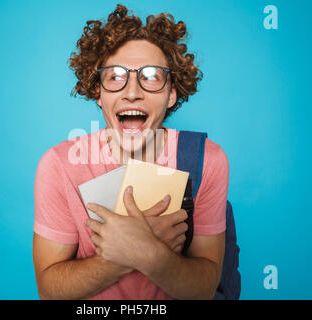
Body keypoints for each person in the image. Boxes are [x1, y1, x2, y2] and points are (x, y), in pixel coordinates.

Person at [32, 4, 229, 300]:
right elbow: (49, 292)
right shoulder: (59, 165)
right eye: (115, 76)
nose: (132, 91)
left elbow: (203, 289)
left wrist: (150, 255)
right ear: (98, 92)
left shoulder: (207, 160)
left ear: (171, 93)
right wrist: (127, 253)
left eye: (150, 76)